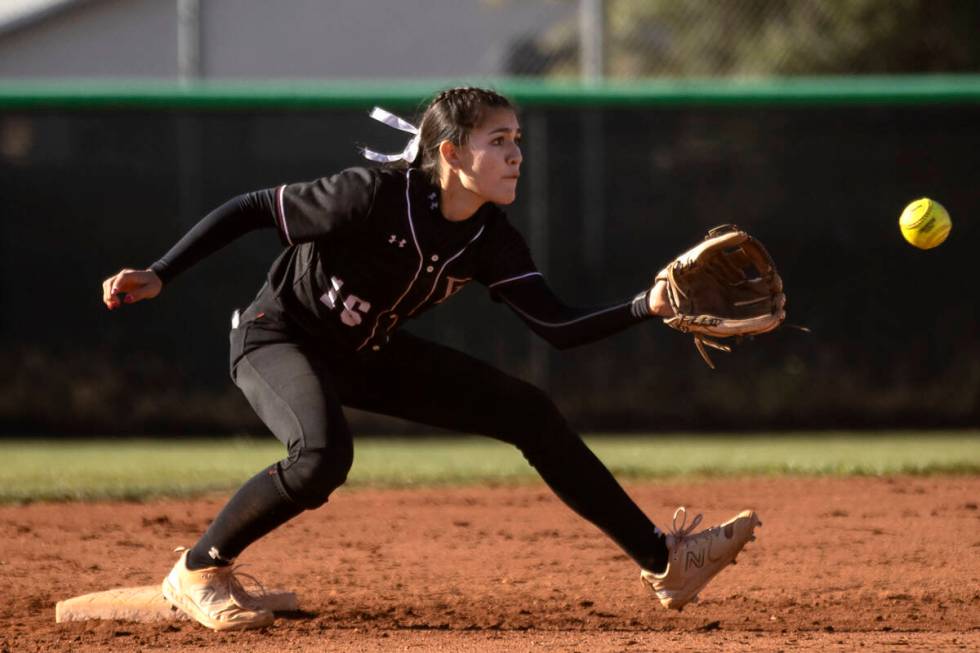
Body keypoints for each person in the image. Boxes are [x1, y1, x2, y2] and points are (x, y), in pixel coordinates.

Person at [101, 87, 760, 631]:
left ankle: (665, 560)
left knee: (526, 410)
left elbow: (557, 326)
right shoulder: (370, 195)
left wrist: (646, 304)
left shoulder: (489, 238)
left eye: (518, 140)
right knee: (323, 456)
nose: (515, 154)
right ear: (449, 152)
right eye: (497, 140)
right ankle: (198, 568)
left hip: (365, 350)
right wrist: (162, 272)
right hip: (278, 335)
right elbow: (250, 209)